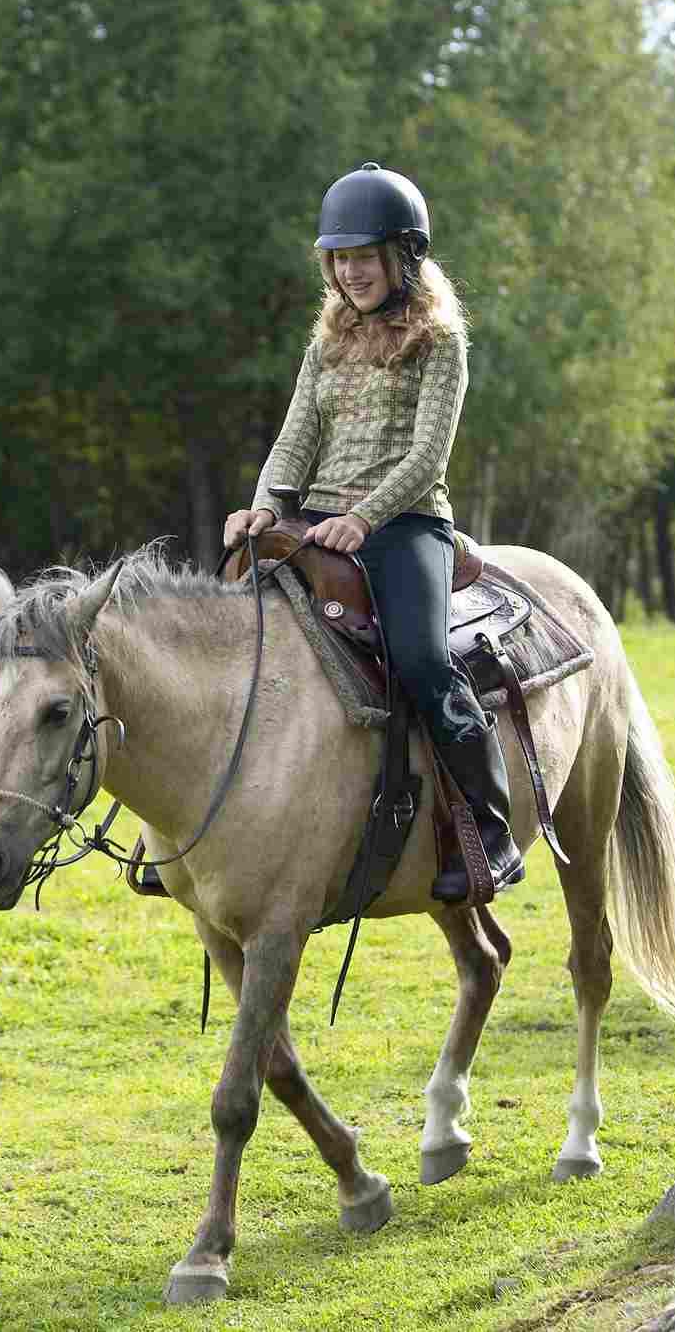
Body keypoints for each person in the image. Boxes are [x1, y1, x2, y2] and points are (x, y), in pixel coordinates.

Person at [215, 162, 522, 905]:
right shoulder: (325, 343)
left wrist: (364, 518)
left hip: (406, 522)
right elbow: (295, 438)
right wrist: (264, 506)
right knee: (226, 631)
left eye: (364, 256)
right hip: (314, 519)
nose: (350, 272)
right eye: (340, 257)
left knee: (421, 660)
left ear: (404, 257)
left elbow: (427, 455)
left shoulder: (441, 339)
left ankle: (491, 828)